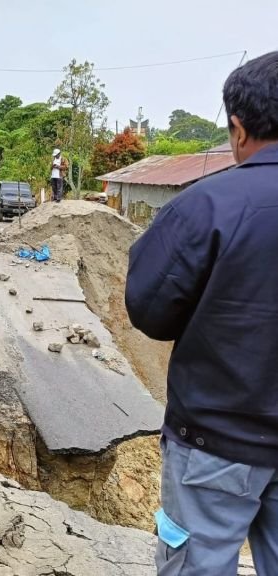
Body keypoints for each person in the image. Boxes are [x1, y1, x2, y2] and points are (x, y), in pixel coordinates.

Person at [125, 51, 278, 576]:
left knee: (198, 566)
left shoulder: (206, 206)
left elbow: (150, 311)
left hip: (214, 444)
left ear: (237, 129)